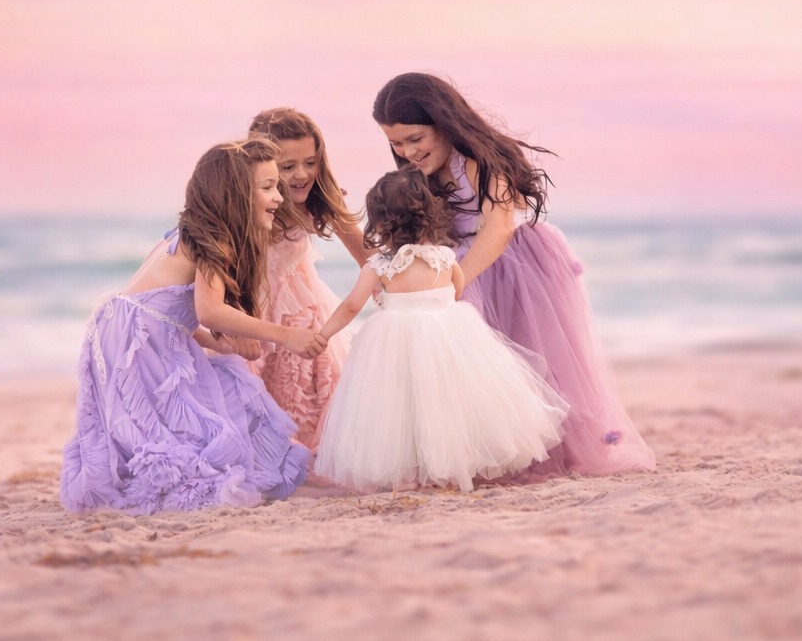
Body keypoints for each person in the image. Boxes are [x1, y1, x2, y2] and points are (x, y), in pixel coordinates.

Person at [372, 72, 655, 478]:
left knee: (526, 358)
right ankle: (470, 451)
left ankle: (536, 451)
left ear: (445, 124)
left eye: (417, 139)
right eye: (396, 143)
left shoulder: (478, 164)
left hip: (510, 267)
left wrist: (451, 286)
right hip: (459, 264)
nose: (408, 151)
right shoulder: (421, 177)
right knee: (461, 363)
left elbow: (499, 228)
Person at [59, 138, 320, 513]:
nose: (278, 196)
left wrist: (222, 346)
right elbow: (209, 312)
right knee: (189, 419)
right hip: (132, 338)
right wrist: (286, 335)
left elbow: (159, 315)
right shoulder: (214, 240)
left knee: (220, 385)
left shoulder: (188, 232)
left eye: (277, 186)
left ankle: (256, 465)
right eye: (267, 187)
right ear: (234, 194)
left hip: (120, 331)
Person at [313, 170, 568, 493]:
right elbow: (457, 290)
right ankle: (451, 472)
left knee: (402, 406)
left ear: (380, 224)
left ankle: (410, 474)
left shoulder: (378, 266)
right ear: (428, 216)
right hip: (448, 332)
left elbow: (351, 306)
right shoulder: (444, 257)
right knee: (450, 402)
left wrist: (324, 334)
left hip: (395, 338)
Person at [247, 107, 368, 448]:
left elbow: (369, 259)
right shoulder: (251, 206)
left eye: (310, 162)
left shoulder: (318, 201)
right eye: (288, 167)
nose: (302, 174)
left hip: (302, 309)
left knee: (303, 398)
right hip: (255, 311)